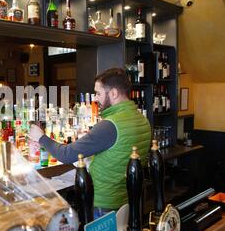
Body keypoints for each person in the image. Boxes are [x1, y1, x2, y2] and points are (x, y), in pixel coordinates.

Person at [29, 68, 151, 219]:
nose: (95, 98)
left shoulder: (110, 125)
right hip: (130, 200)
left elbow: (66, 155)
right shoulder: (142, 119)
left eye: (98, 93)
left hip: (105, 203)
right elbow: (119, 156)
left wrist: (41, 137)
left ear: (113, 93)